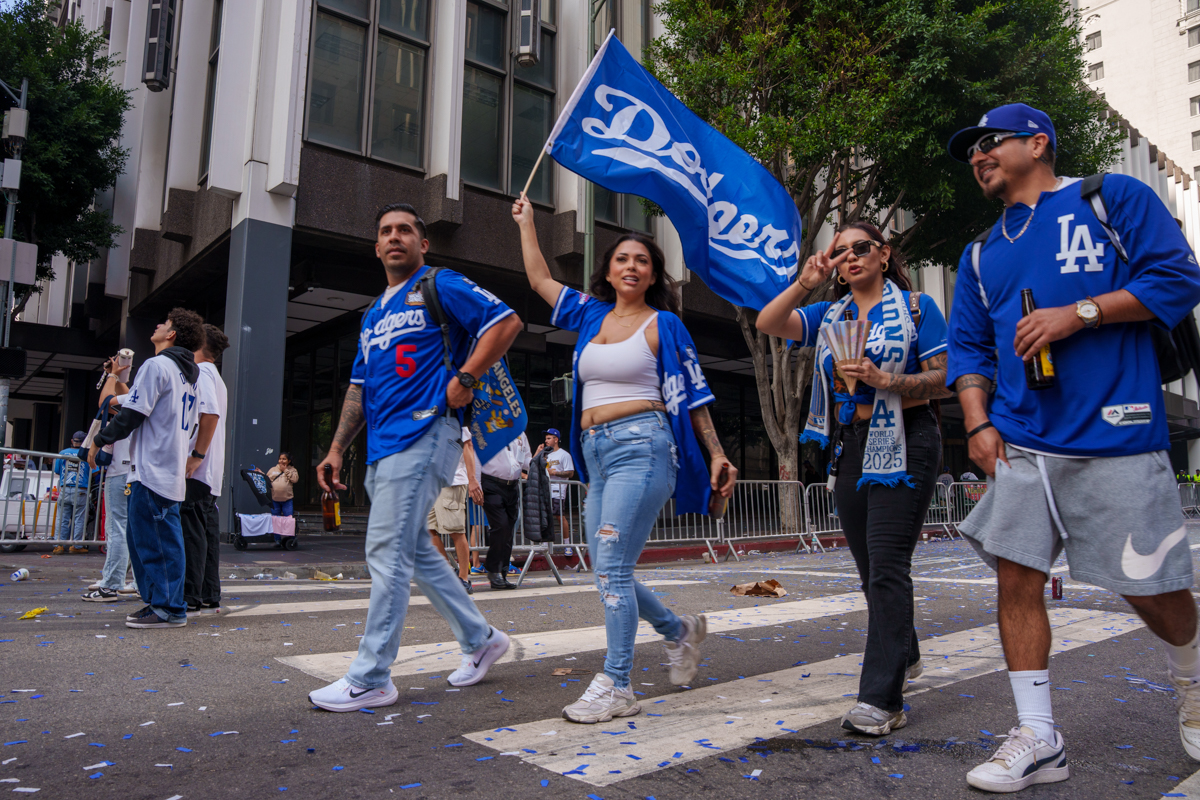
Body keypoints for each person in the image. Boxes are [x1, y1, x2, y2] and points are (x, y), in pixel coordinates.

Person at [944, 103, 1200, 793]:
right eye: (971, 151)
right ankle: (1039, 736)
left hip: (1115, 431)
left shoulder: (1111, 198)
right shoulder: (980, 252)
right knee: (1015, 578)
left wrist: (1080, 313)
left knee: (1148, 588)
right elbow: (967, 348)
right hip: (1023, 440)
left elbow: (1177, 278)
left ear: (1038, 143)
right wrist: (977, 421)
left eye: (989, 142)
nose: (977, 156)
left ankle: (1193, 677)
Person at [513, 193, 736, 724]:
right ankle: (679, 633)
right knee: (608, 567)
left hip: (644, 445)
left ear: (654, 274)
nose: (632, 266)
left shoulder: (664, 325)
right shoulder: (590, 314)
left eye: (642, 260)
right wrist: (527, 223)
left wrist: (718, 454)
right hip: (597, 452)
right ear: (609, 272)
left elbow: (694, 396)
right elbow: (541, 280)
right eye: (622, 259)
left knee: (611, 566)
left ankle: (616, 682)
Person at [308, 202, 522, 712]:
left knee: (385, 552)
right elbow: (359, 388)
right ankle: (481, 638)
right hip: (382, 448)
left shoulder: (440, 283)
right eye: (385, 231)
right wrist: (337, 448)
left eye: (405, 230)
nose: (395, 237)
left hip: (428, 431)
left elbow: (507, 322)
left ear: (423, 243)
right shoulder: (374, 313)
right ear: (376, 246)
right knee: (420, 554)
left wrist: (465, 378)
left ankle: (371, 677)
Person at [756, 220, 951, 737]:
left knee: (888, 567)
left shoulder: (916, 309)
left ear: (884, 255)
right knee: (871, 571)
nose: (850, 257)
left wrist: (887, 380)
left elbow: (946, 379)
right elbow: (767, 322)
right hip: (851, 444)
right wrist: (806, 280)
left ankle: (882, 700)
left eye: (860, 248)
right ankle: (904, 651)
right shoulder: (827, 314)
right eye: (840, 252)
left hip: (908, 437)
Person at [90, 308, 205, 629]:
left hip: (152, 469)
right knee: (153, 540)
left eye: (164, 323)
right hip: (166, 468)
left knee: (156, 542)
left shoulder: (158, 365)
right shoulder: (188, 376)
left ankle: (169, 607)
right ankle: (159, 602)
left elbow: (132, 414)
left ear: (172, 334)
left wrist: (100, 439)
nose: (158, 325)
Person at [181, 324, 230, 614]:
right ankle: (208, 592)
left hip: (199, 468)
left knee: (192, 531)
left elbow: (209, 413)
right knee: (206, 531)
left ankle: (190, 594)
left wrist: (196, 455)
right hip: (209, 470)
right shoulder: (216, 376)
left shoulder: (203, 374)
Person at [82, 356, 139, 602]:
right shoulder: (146, 399)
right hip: (136, 472)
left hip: (121, 472)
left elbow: (106, 402)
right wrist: (116, 375)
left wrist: (113, 375)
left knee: (117, 528)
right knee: (134, 530)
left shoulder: (139, 399)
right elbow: (129, 395)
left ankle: (111, 583)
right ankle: (137, 582)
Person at [428, 427, 480, 595]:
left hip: (452, 480)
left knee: (455, 531)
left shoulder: (455, 419)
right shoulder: (424, 416)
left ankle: (464, 579)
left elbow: (468, 446)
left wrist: (472, 479)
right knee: (426, 529)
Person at [479, 432, 532, 590]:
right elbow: (475, 455)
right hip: (491, 483)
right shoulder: (487, 427)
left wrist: (539, 462)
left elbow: (525, 459)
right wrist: (474, 481)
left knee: (508, 529)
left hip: (512, 486)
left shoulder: (519, 432)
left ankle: (502, 572)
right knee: (500, 526)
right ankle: (493, 569)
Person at [52, 431, 91, 554]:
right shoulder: (88, 454)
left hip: (64, 489)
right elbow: (95, 472)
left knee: (62, 518)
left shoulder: (63, 453)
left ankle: (59, 545)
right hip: (80, 490)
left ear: (72, 440)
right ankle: (76, 546)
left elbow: (57, 471)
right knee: (79, 519)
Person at [534, 428, 575, 540]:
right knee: (545, 517)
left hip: (558, 489)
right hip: (545, 489)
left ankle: (567, 543)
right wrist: (538, 452)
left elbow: (570, 473)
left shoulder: (564, 455)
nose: (546, 440)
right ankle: (546, 542)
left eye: (548, 438)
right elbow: (532, 465)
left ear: (556, 439)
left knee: (559, 516)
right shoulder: (545, 454)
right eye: (545, 438)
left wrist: (554, 472)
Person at [267, 453, 299, 517]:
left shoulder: (292, 470)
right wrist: (260, 473)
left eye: (284, 459)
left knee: (288, 520)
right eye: (280, 459)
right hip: (274, 500)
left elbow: (295, 480)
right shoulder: (273, 469)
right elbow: (266, 480)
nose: (281, 461)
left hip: (287, 500)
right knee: (275, 520)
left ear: (289, 461)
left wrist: (285, 470)